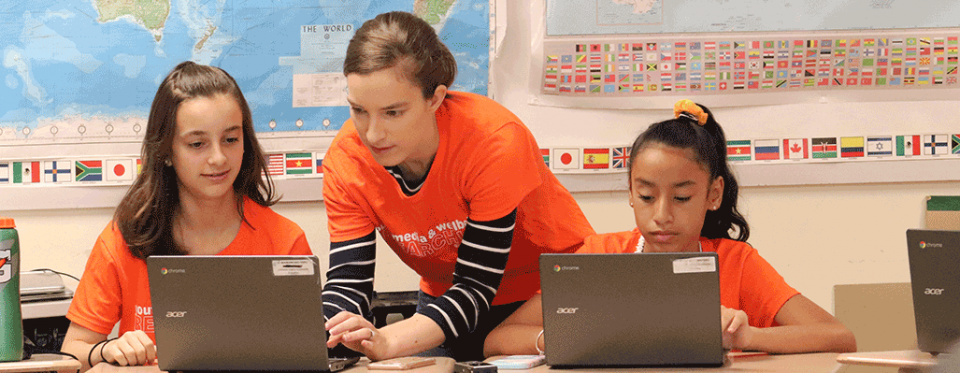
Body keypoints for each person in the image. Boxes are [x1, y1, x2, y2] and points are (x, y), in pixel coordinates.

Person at [483, 100, 857, 357]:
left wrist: (747, 336)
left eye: (681, 199)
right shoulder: (600, 255)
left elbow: (839, 337)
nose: (661, 215)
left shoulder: (735, 262)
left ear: (712, 195)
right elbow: (497, 340)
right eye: (646, 197)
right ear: (630, 193)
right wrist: (565, 337)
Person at [321, 11, 595, 361]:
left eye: (393, 113)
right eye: (359, 110)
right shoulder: (346, 160)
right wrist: (323, 331)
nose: (372, 134)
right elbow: (348, 283)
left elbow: (476, 287)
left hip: (546, 292)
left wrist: (388, 341)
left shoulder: (493, 142)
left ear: (434, 98)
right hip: (447, 298)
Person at [61, 61, 313, 371]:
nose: (218, 158)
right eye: (197, 144)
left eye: (231, 139)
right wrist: (107, 349)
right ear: (166, 151)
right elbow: (71, 353)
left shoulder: (285, 241)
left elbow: (305, 357)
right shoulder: (125, 238)